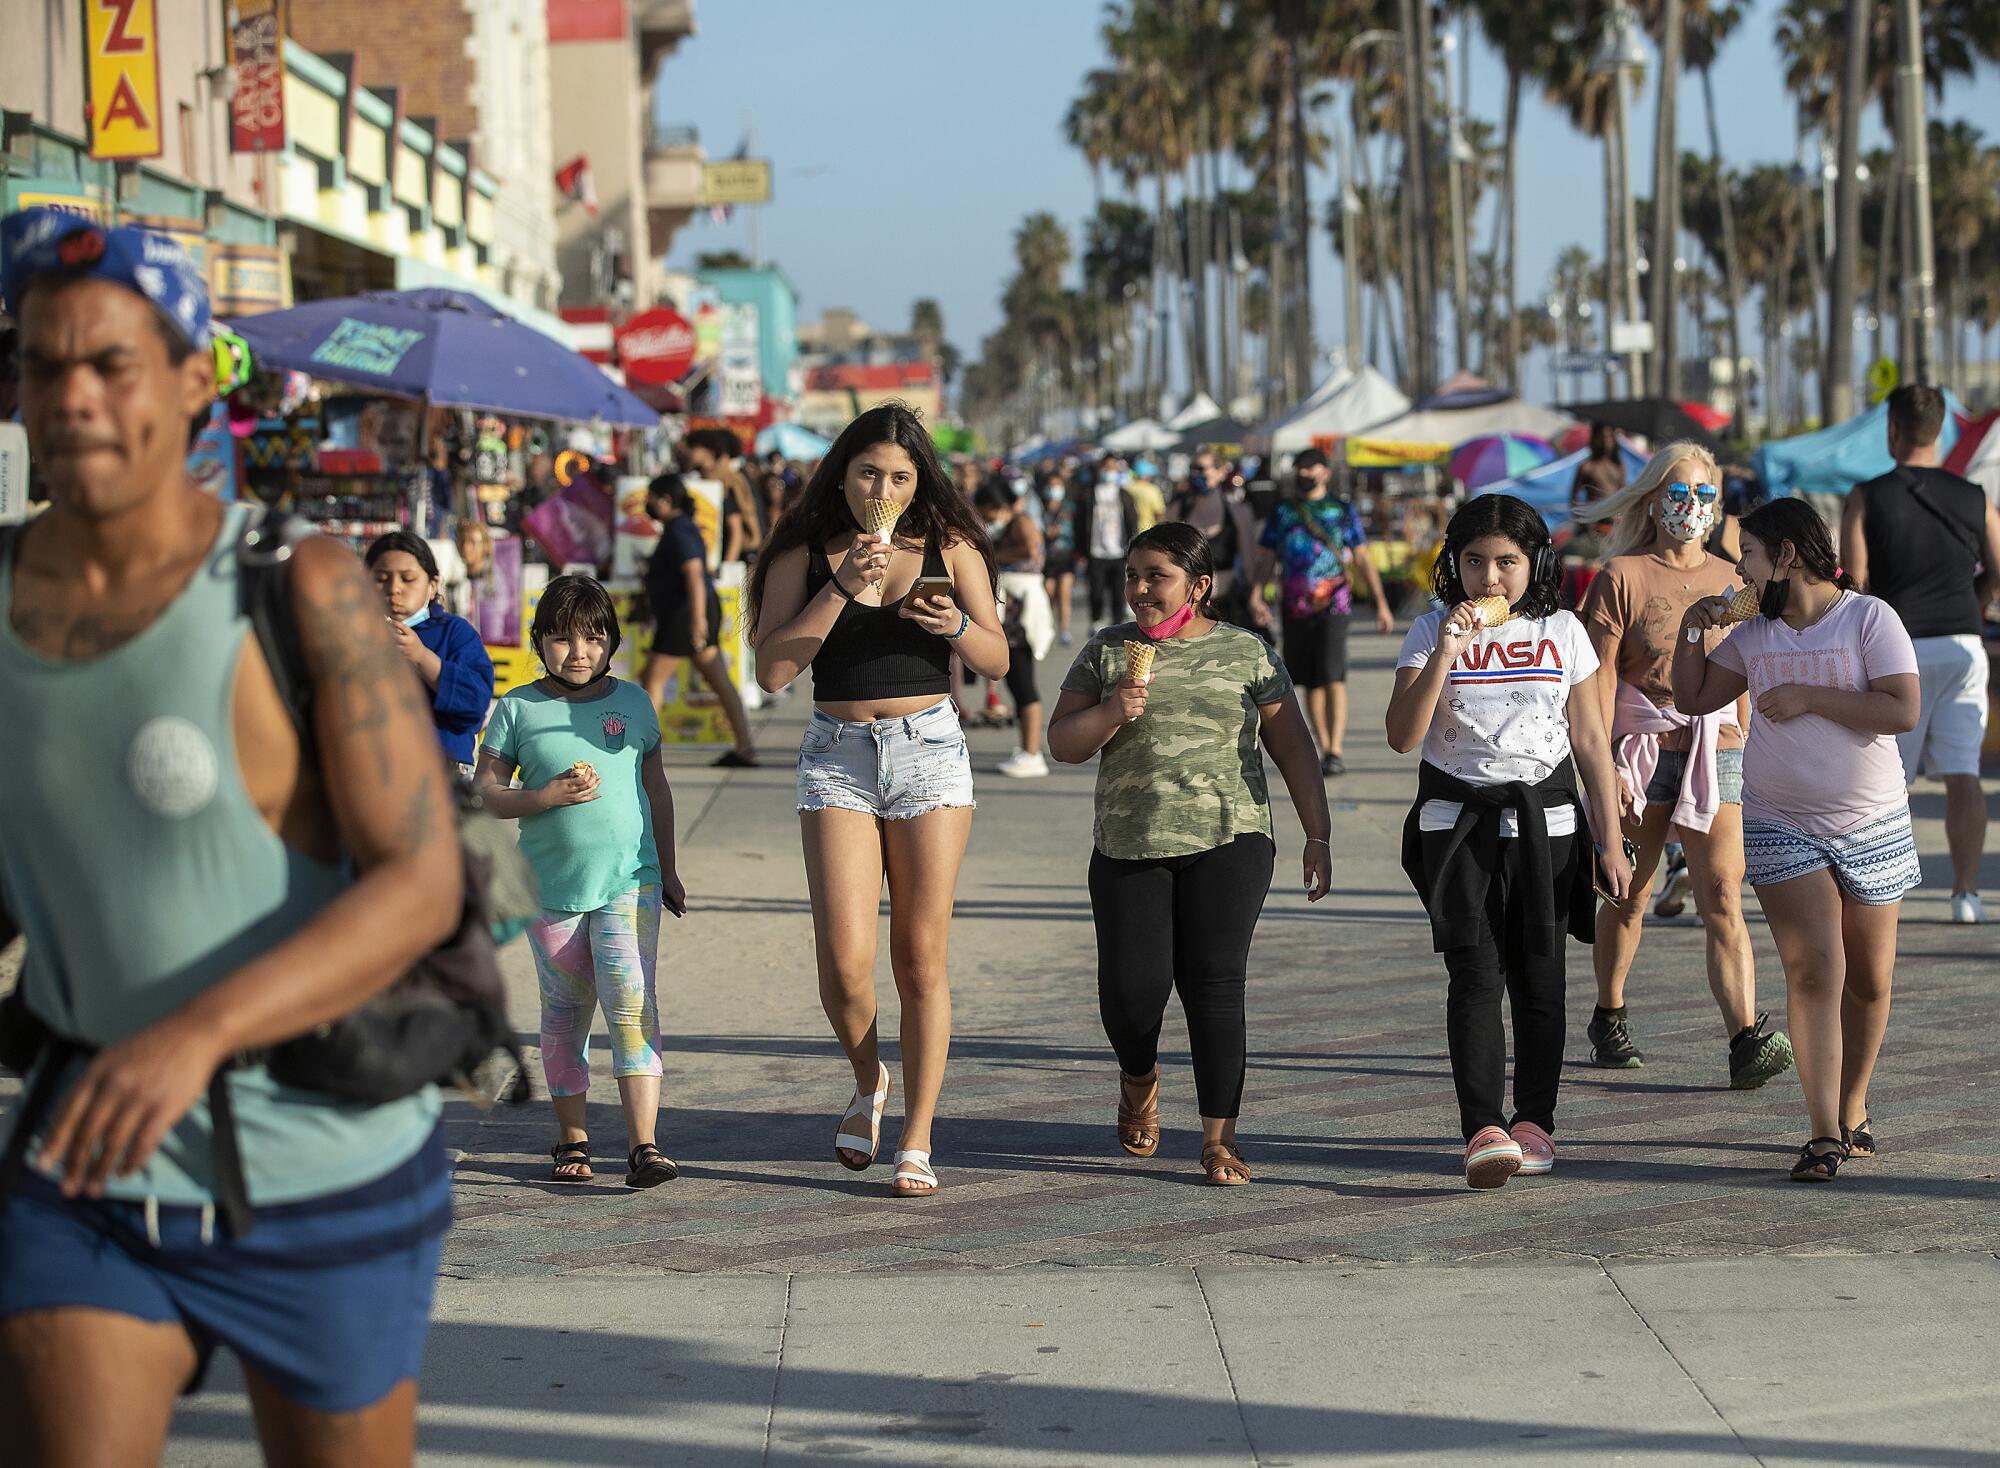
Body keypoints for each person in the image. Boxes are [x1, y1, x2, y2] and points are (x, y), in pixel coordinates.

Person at [0, 209, 463, 1465]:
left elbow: (422, 881)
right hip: (87, 1165)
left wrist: (194, 1033)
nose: (73, 395)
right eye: (44, 364)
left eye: (112, 364)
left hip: (323, 1174)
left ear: (197, 380)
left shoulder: (296, 586)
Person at [749, 403, 1008, 1197]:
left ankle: (918, 1138)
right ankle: (870, 1080)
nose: (882, 488)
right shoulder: (802, 550)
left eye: (900, 476)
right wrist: (841, 587)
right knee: (844, 964)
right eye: (869, 472)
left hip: (929, 750)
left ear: (919, 479)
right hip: (836, 756)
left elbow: (996, 657)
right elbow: (771, 671)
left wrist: (958, 622)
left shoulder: (950, 545)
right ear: (843, 473)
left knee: (920, 961)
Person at [1049, 522, 1332, 1187]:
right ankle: (1139, 1075)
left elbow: (1293, 747)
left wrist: (1316, 834)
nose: (1140, 589)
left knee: (1214, 982)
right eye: (1132, 575)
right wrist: (1112, 711)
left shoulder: (1247, 653)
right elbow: (1063, 742)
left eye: (1157, 576)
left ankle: (1218, 1139)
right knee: (1132, 991)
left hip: (1231, 837)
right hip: (1129, 842)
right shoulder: (1106, 650)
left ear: (1198, 587)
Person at [1385, 493, 1631, 1189]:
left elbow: (1590, 740)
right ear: (1453, 564)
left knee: (1540, 976)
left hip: (1545, 826)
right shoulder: (1430, 630)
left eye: (1507, 563)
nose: (1490, 579)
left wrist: (1609, 842)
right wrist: (1448, 653)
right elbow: (1404, 736)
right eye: (1474, 562)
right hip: (1456, 826)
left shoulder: (1564, 631)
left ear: (1536, 563)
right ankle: (1483, 1128)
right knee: (1474, 974)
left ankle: (1534, 1121)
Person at [1675, 498, 1921, 1181]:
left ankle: (1853, 1103)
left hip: (1873, 821)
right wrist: (1693, 632)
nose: (1740, 568)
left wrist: (1811, 696)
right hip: (1780, 822)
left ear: (1785, 556)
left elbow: (1902, 708)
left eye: (1748, 553)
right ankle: (1820, 1133)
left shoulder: (1869, 618)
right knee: (1815, 970)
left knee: (1869, 981)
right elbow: (1692, 698)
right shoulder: (1755, 637)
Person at [1575, 445, 1793, 1086]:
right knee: (1631, 894)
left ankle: (1745, 1039)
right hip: (1640, 748)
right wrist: (1603, 762)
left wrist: (1750, 732)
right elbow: (1597, 673)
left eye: (1703, 495)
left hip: (1716, 748)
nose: (1690, 508)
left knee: (1724, 893)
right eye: (1677, 494)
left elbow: (1749, 661)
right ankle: (1609, 1013)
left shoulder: (1737, 581)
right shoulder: (1621, 575)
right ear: (1651, 500)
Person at [475, 575, 687, 1190]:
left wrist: (667, 868)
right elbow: (485, 796)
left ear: (613, 643)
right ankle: (573, 1138)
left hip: (631, 880)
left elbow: (657, 789)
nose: (578, 652)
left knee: (631, 1002)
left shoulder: (635, 703)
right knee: (566, 1014)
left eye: (593, 639)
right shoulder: (517, 708)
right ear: (538, 641)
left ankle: (644, 1146)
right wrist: (541, 796)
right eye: (561, 638)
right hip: (550, 893)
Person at [1841, 383, 2000, 925]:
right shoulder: (1976, 499)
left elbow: (1855, 582)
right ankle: (1965, 894)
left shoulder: (1867, 496)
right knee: (1963, 773)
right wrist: (1971, 610)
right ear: (1942, 431)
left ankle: (1883, 892)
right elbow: (1999, 570)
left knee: (1887, 779)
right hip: (1962, 647)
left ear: (1893, 430)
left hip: (1897, 651)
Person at [1254, 447, 1395, 776]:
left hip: (1335, 604)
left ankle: (1335, 748)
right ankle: (1324, 747)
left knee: (1333, 674)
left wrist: (1381, 604)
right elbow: (1266, 557)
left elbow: (1362, 557)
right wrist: (1257, 594)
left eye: (1310, 468)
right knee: (1309, 681)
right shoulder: (1283, 511)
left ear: (1325, 473)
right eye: (1299, 468)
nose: (1303, 473)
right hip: (1294, 606)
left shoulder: (1341, 510)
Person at [639, 472, 759, 768]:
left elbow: (694, 572)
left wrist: (696, 619)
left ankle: (645, 753)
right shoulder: (681, 528)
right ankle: (745, 746)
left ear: (666, 500)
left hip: (685, 615)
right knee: (719, 680)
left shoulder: (679, 530)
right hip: (692, 612)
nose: (648, 505)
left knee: (651, 680)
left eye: (651, 500)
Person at [366, 529, 496, 777]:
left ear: (432, 585)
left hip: (443, 772)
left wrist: (420, 656)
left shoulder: (455, 632)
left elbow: (475, 702)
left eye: (407, 578)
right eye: (381, 578)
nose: (394, 589)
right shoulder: (354, 634)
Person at [979, 479, 1055, 778]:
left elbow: (1030, 550)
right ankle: (1026, 749)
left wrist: (993, 556)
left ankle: (1032, 752)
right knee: (1016, 684)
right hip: (1011, 611)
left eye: (987, 511)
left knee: (1024, 684)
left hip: (1021, 615)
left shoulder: (1021, 522)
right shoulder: (1008, 524)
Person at [1168, 452, 1269, 639]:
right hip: (1186, 607)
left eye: (1202, 469)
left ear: (1221, 472)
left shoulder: (1238, 512)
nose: (1196, 474)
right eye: (1193, 469)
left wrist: (1255, 599)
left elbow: (1249, 563)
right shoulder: (1178, 509)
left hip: (1225, 604)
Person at [684, 427, 765, 564]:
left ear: (708, 451)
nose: (688, 452)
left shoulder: (725, 483)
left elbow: (736, 531)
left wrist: (727, 568)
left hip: (732, 560)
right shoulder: (716, 480)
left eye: (693, 447)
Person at [1082, 462, 1137, 629]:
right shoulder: (1090, 494)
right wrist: (1080, 549)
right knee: (1096, 589)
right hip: (1096, 551)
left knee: (1118, 591)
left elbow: (1132, 520)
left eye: (1113, 469)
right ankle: (1096, 619)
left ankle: (1116, 622)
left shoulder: (1124, 495)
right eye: (1106, 468)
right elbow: (1081, 521)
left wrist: (1132, 548)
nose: (1109, 472)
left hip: (1118, 551)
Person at [1042, 471, 1080, 645]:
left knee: (1064, 593)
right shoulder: (1041, 508)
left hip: (1066, 555)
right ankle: (1048, 626)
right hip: (1047, 558)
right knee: (1048, 592)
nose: (1054, 489)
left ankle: (1064, 630)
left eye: (1057, 486)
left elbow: (1076, 529)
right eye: (1051, 486)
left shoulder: (1069, 507)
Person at [1126, 457, 1166, 531]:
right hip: (1147, 532)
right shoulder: (1152, 490)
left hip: (1128, 531)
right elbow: (1159, 513)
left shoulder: (1126, 488)